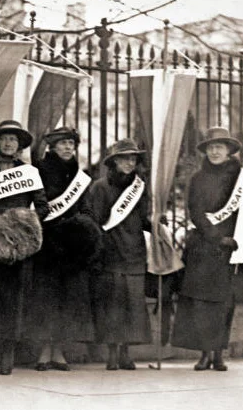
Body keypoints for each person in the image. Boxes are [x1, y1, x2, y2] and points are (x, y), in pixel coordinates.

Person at [0, 120, 49, 375]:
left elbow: (43, 207)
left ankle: (7, 356)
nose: (8, 143)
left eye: (13, 139)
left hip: (16, 247)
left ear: (19, 145)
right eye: (4, 139)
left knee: (12, 301)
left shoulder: (30, 173)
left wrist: (20, 225)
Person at [172, 127, 243, 371]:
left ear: (229, 150)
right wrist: (216, 237)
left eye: (220, 146)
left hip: (232, 249)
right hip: (204, 247)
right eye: (211, 147)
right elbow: (195, 211)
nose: (215, 151)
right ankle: (205, 353)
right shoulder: (198, 178)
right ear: (206, 151)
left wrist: (235, 238)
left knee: (224, 304)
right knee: (201, 304)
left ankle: (218, 354)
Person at [24, 127, 100, 371]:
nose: (68, 147)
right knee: (46, 299)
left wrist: (84, 224)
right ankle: (44, 351)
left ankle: (59, 351)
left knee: (68, 300)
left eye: (71, 143)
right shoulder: (39, 170)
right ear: (52, 147)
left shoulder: (80, 175)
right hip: (48, 242)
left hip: (72, 246)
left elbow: (86, 207)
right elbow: (37, 203)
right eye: (63, 143)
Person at [88, 138, 152, 370]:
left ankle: (126, 352)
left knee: (133, 306)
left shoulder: (139, 187)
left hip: (134, 251)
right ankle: (112, 353)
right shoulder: (100, 187)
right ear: (114, 161)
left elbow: (144, 219)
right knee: (112, 307)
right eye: (124, 158)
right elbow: (95, 222)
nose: (129, 162)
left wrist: (157, 226)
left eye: (133, 158)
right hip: (111, 253)